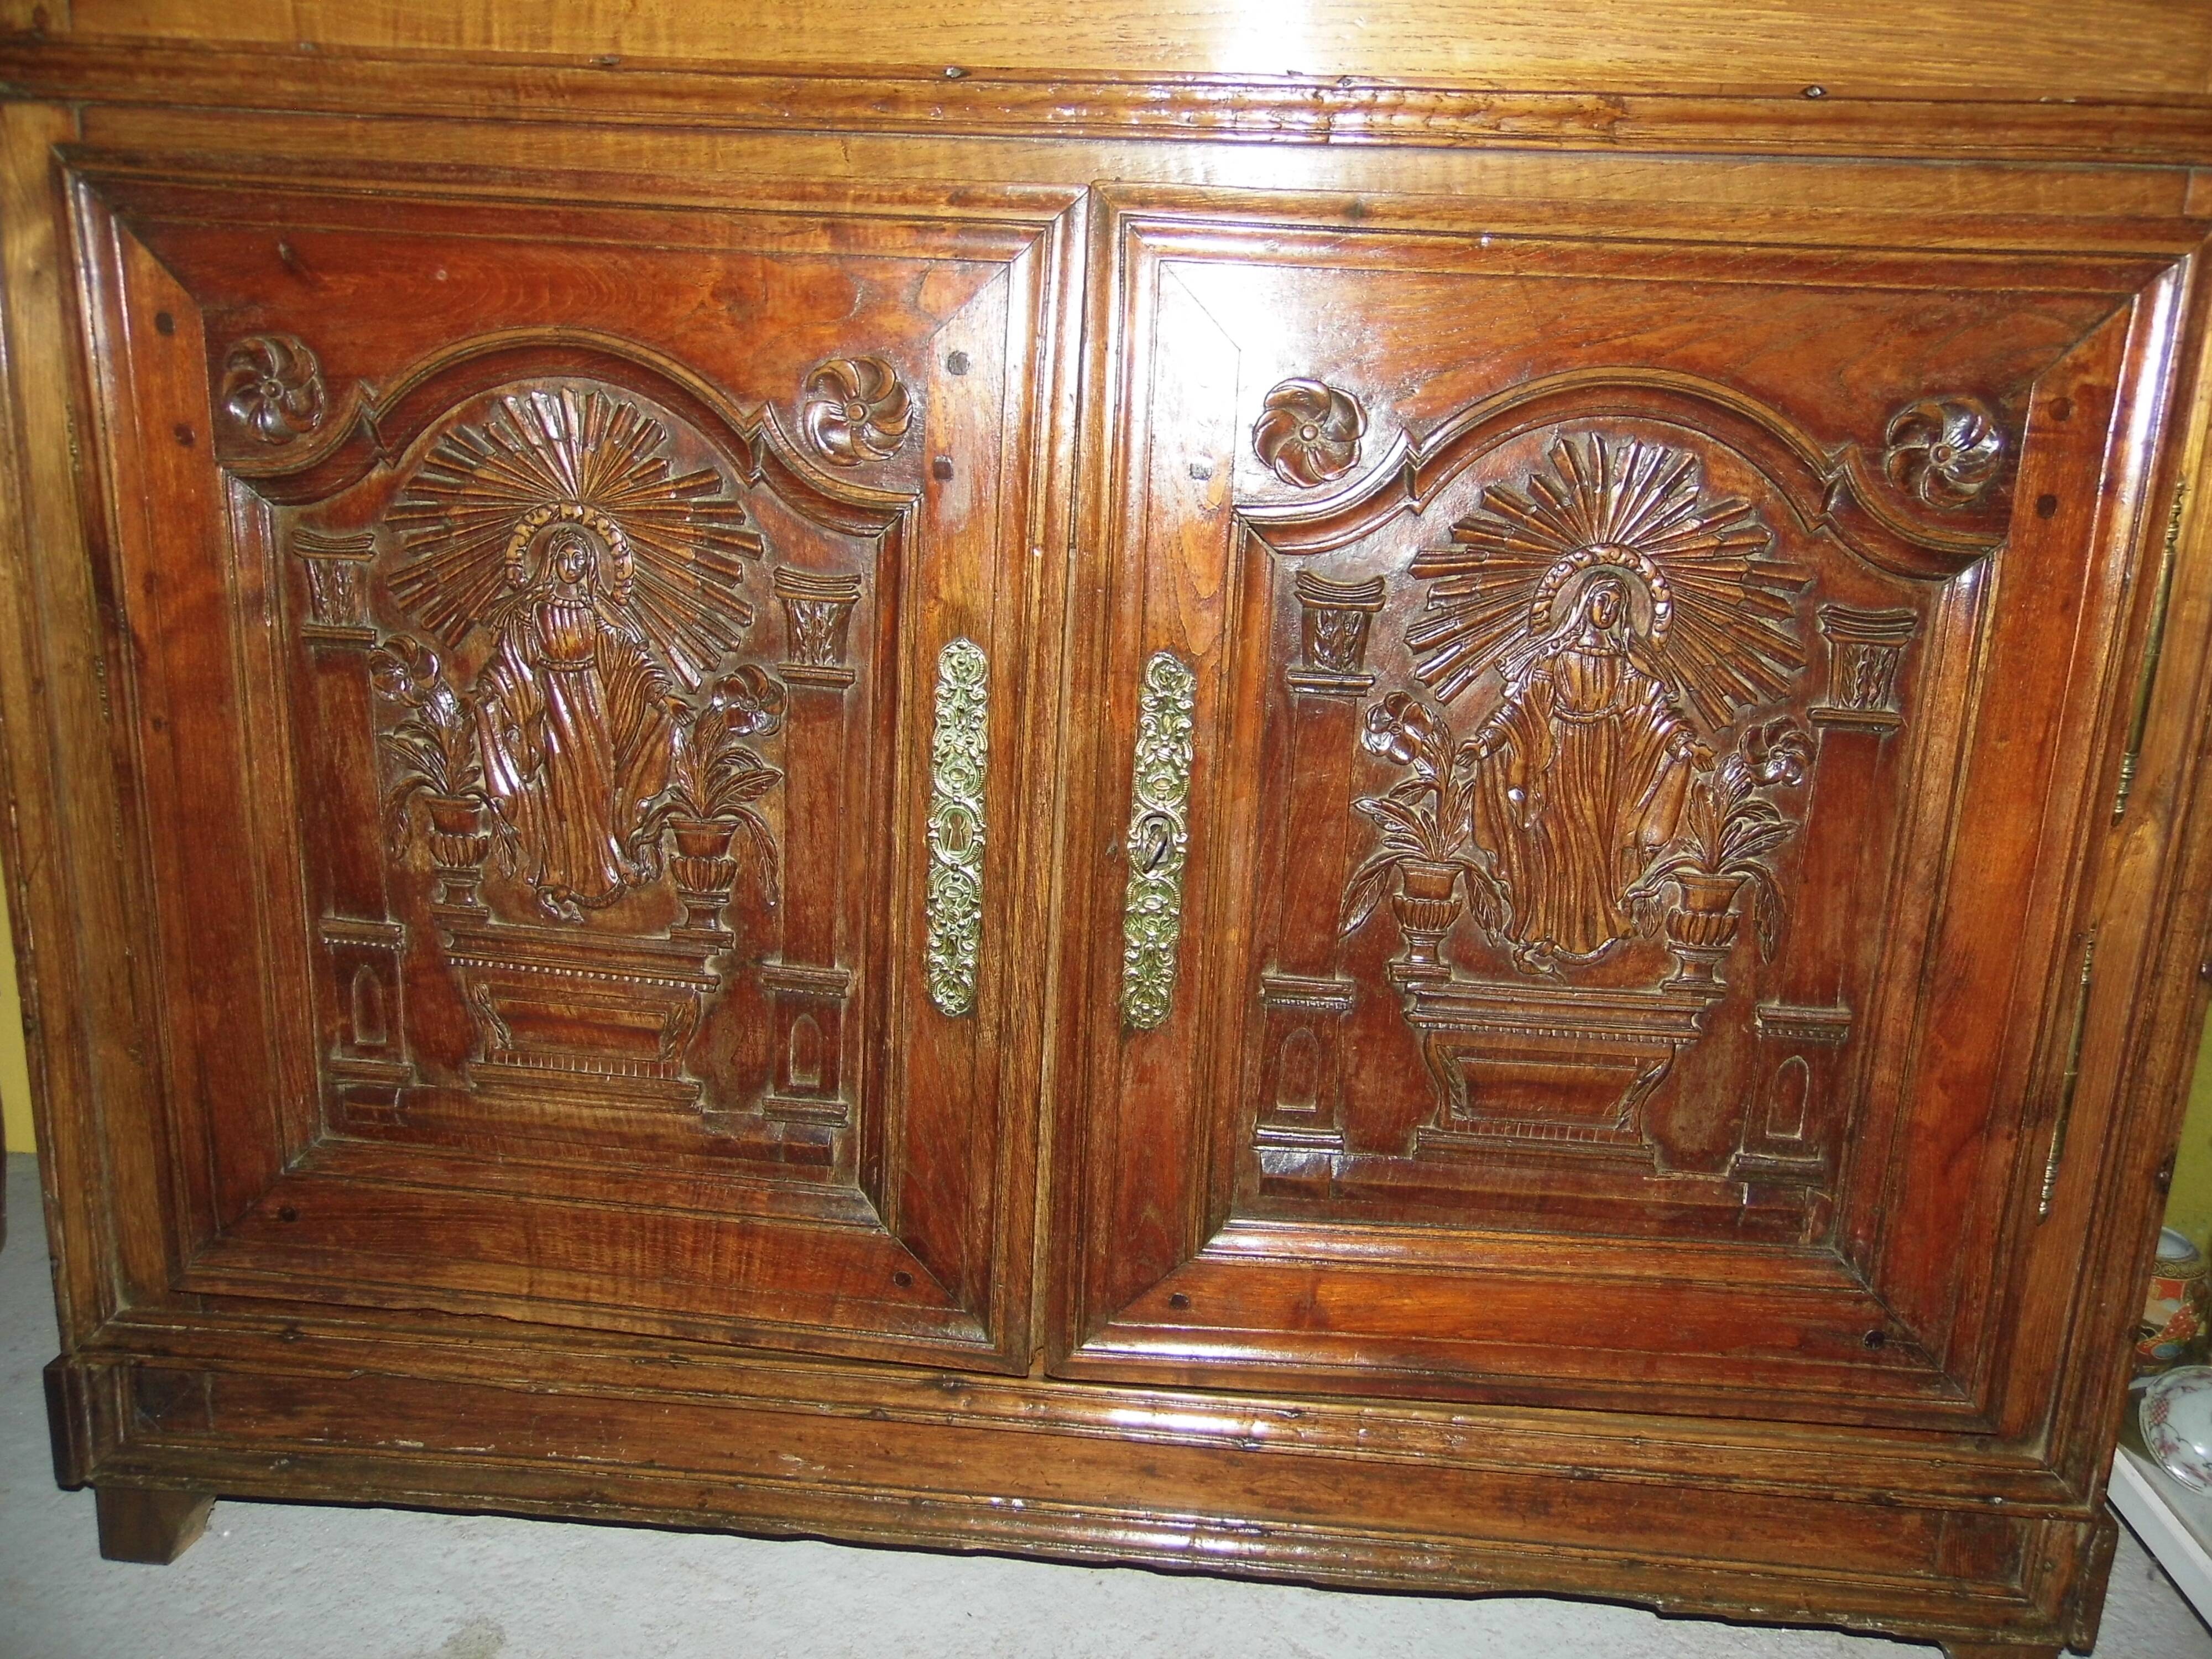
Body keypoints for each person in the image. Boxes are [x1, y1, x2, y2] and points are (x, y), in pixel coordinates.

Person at [1465, 570, 1708, 967]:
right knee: (1554, 837)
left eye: (1616, 604)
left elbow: (1655, 712)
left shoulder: (1626, 665)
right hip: (1558, 756)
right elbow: (1520, 708)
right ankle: (1545, 925)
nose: (1607, 610)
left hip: (1605, 759)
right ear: (1582, 603)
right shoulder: (1554, 659)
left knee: (1597, 841)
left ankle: (1594, 923)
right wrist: (1487, 740)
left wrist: (1683, 743)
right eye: (1601, 600)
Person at [473, 525, 677, 920]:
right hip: (552, 698)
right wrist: (491, 691)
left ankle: (605, 865)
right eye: (567, 558)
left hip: (591, 699)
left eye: (582, 559)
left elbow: (630, 656)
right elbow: (511, 662)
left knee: (599, 783)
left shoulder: (594, 611)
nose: (575, 565)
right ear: (551, 562)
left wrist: (659, 695)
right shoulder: (533, 612)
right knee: (563, 788)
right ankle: (562, 873)